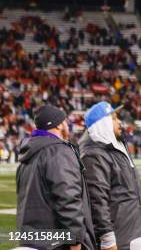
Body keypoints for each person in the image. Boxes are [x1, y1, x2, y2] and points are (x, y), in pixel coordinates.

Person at [16, 105, 96, 250]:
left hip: (32, 240)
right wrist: (76, 240)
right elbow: (68, 199)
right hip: (57, 243)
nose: (67, 125)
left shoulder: (27, 156)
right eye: (65, 121)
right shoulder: (58, 151)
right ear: (59, 125)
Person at [80, 102, 141, 250]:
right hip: (117, 240)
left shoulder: (116, 147)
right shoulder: (94, 155)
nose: (119, 122)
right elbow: (97, 201)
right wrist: (107, 239)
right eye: (114, 118)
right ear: (102, 124)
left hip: (130, 234)